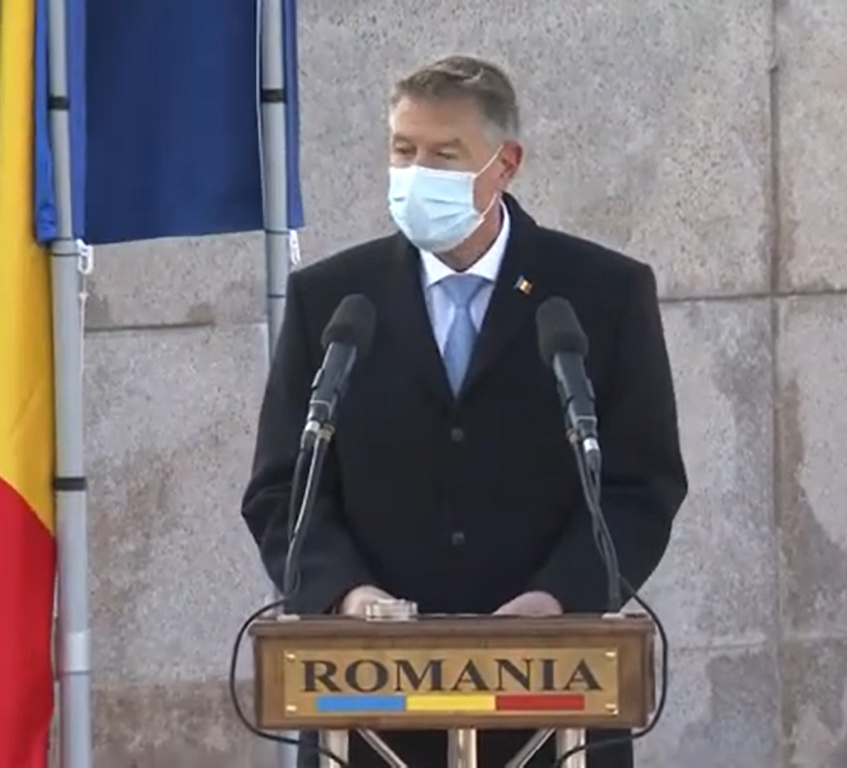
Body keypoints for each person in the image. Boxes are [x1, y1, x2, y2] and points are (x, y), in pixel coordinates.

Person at [241, 54, 688, 768]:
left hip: (552, 697)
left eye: (444, 156)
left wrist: (559, 598)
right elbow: (282, 488)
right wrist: (346, 595)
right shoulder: (332, 300)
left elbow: (642, 486)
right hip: (368, 704)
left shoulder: (602, 295)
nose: (417, 173)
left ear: (504, 164)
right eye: (403, 151)